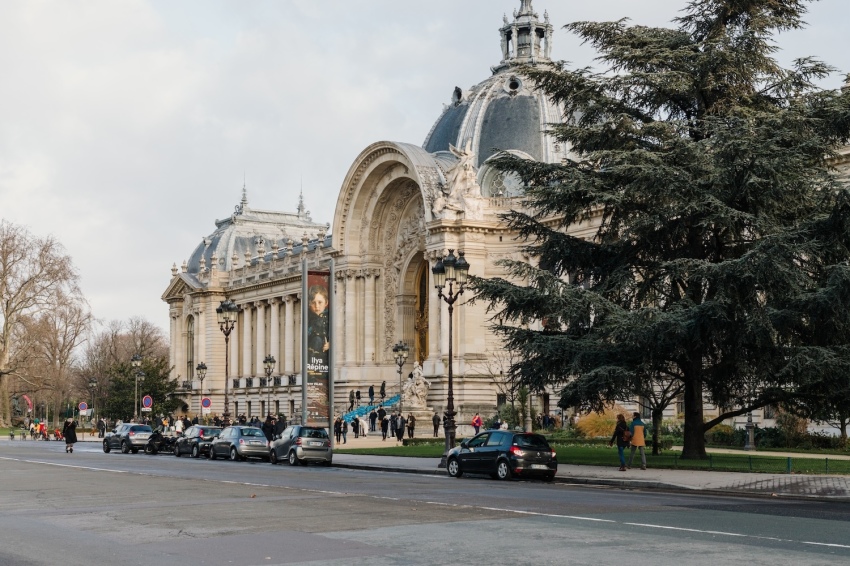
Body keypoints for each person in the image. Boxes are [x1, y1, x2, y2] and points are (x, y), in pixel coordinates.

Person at [307, 284, 330, 369]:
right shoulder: (308, 318)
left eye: (320, 302)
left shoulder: (330, 317)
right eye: (313, 303)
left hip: (326, 360)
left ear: (326, 302)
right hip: (313, 359)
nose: (317, 306)